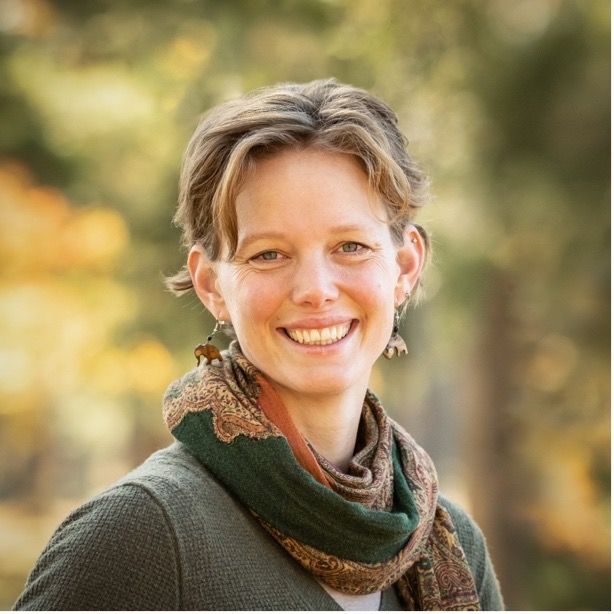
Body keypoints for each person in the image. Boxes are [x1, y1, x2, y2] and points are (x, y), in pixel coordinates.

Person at [14, 79, 504, 611]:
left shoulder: (449, 541)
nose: (315, 289)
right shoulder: (141, 535)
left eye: (350, 246)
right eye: (269, 254)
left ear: (405, 267)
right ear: (210, 285)